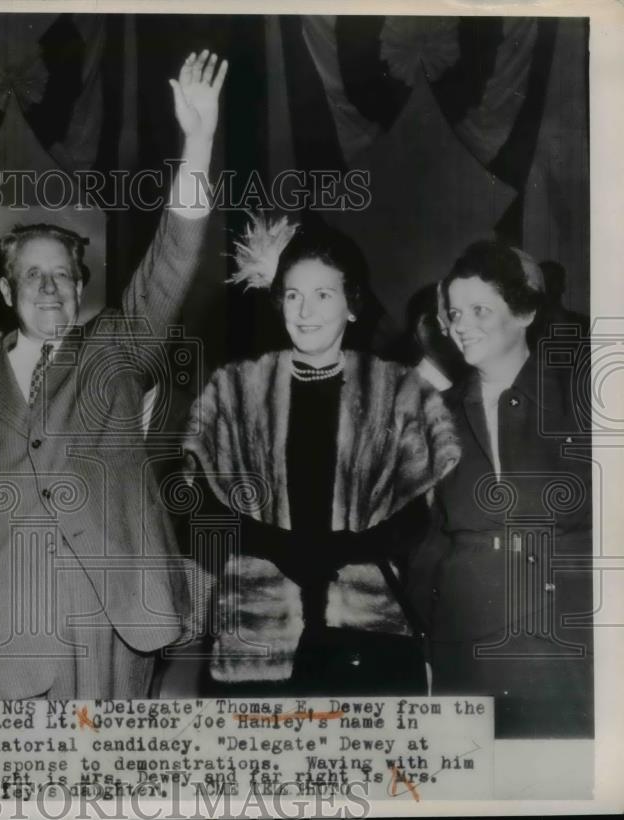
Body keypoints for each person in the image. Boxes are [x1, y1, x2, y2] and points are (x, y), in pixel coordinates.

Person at [0, 50, 227, 700]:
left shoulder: (114, 345)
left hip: (115, 626)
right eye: (33, 274)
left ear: (82, 287)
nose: (50, 287)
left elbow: (171, 261)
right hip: (10, 637)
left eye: (64, 275)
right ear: (5, 288)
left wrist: (197, 143)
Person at [182, 214, 461, 695]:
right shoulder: (232, 394)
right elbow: (198, 510)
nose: (305, 311)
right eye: (293, 295)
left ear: (352, 305)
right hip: (260, 636)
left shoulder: (397, 395)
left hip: (367, 637)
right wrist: (282, 546)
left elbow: (418, 518)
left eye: (323, 295)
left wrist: (343, 549)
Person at [409, 241, 593, 737]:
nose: (461, 324)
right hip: (467, 656)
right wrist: (430, 645)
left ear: (525, 311)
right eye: (453, 313)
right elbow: (429, 542)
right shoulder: (433, 417)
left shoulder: (584, 398)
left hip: (569, 653)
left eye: (479, 310)